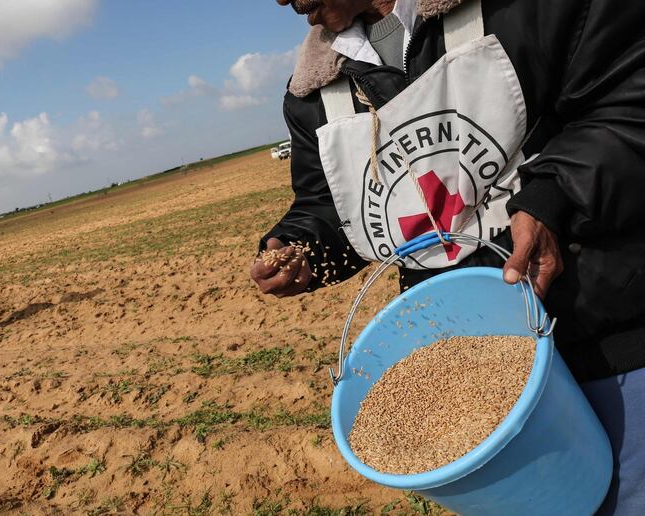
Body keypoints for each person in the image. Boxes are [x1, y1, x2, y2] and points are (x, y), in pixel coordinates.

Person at [251, 0, 645, 513]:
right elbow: (331, 207)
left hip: (605, 340)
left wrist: (553, 196)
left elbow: (627, 97)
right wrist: (299, 246)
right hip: (471, 382)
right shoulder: (312, 95)